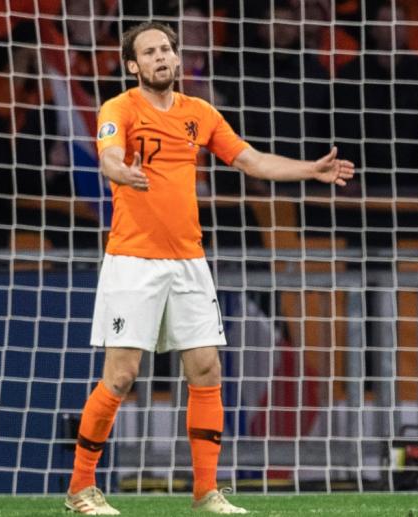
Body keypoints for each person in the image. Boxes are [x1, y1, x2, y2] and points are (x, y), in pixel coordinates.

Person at [64, 21, 355, 515]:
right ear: (133, 65)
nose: (161, 57)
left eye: (167, 50)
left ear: (176, 60)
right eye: (150, 52)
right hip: (133, 261)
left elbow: (252, 161)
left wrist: (310, 169)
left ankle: (206, 491)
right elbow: (109, 156)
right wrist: (121, 171)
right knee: (121, 376)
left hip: (189, 262)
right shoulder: (119, 108)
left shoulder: (199, 113)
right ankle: (80, 489)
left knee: (206, 368)